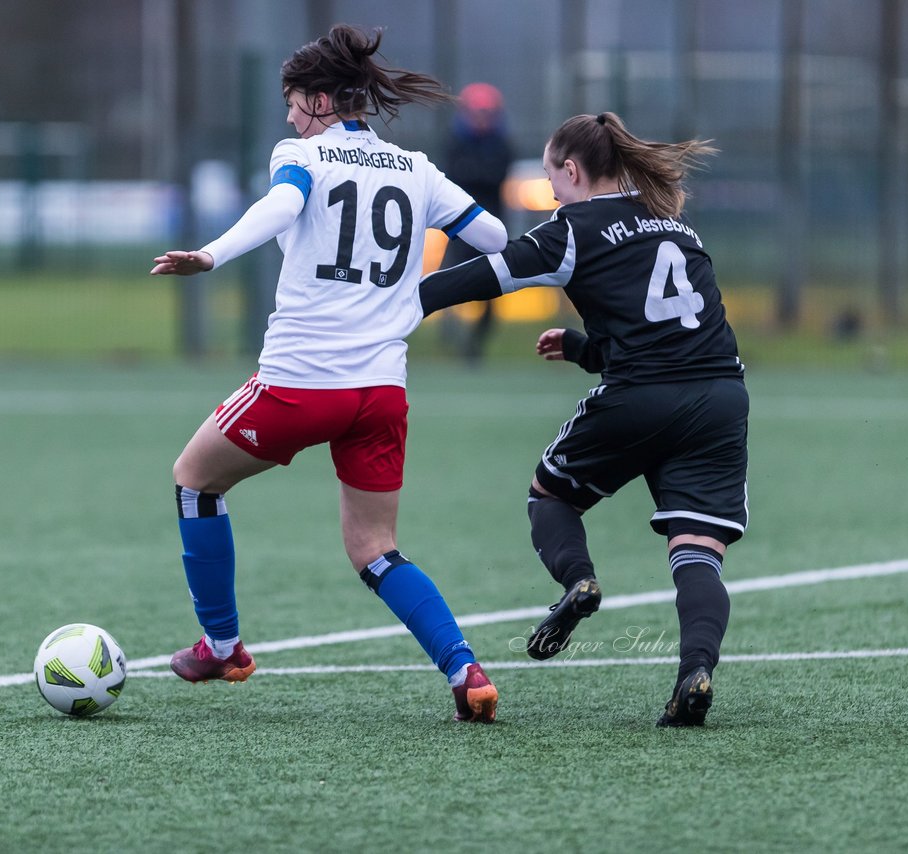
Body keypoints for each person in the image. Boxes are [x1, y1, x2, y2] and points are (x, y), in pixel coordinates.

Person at [150, 24, 509, 723]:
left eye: (292, 102)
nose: (288, 116)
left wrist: (211, 256)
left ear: (319, 101)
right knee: (377, 550)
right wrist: (420, 293)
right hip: (381, 392)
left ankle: (224, 644)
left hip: (300, 384)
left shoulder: (304, 154)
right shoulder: (419, 170)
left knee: (193, 480)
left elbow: (283, 205)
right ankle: (465, 669)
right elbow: (494, 239)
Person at [420, 112, 746, 727]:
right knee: (699, 549)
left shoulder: (574, 226)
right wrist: (580, 348)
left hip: (644, 394)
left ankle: (580, 581)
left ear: (572, 171)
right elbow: (672, 326)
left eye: (551, 179)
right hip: (721, 395)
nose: (550, 194)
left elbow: (492, 274)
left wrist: (400, 299)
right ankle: (694, 675)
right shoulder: (674, 224)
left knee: (549, 494)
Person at [438, 83, 514, 366]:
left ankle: (474, 345)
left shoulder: (503, 144)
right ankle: (448, 331)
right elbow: (459, 176)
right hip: (460, 227)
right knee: (449, 281)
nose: (482, 118)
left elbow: (491, 177)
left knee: (493, 292)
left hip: (493, 227)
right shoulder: (456, 142)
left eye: (487, 112)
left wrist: (475, 173)